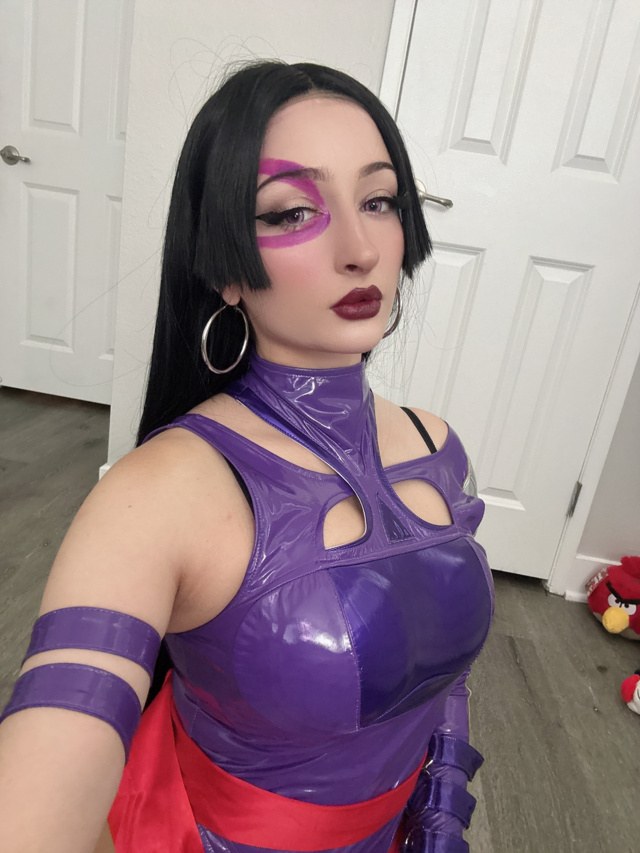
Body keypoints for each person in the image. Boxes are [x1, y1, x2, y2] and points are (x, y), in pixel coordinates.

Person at [0, 61, 493, 853]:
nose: (361, 249)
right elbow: (55, 742)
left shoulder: (437, 445)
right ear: (227, 266)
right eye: (293, 210)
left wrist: (438, 819)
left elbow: (444, 673)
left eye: (379, 201)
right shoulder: (158, 495)